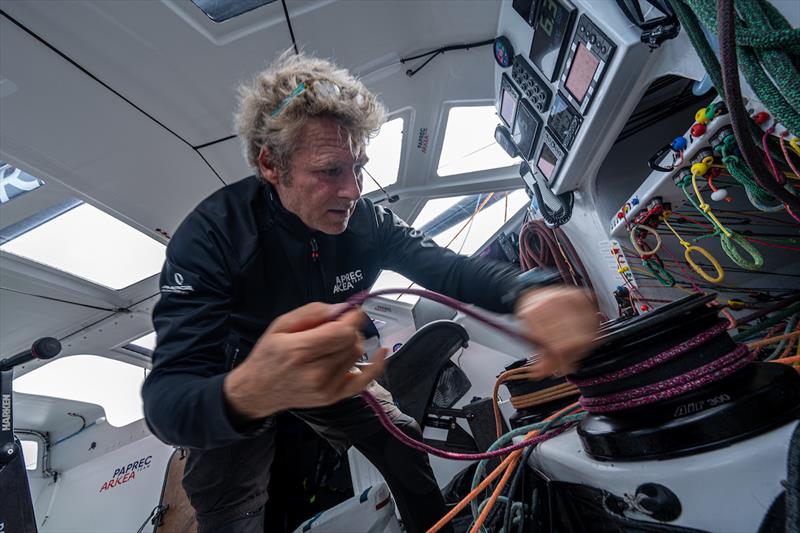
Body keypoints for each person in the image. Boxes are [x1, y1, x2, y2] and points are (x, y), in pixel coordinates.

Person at [141, 51, 598, 533]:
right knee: (229, 508)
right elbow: (167, 401)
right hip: (235, 378)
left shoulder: (368, 223)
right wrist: (248, 390)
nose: (354, 191)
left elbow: (448, 269)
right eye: (330, 171)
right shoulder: (211, 236)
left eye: (358, 167)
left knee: (399, 438)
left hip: (324, 363)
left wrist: (533, 292)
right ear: (271, 165)